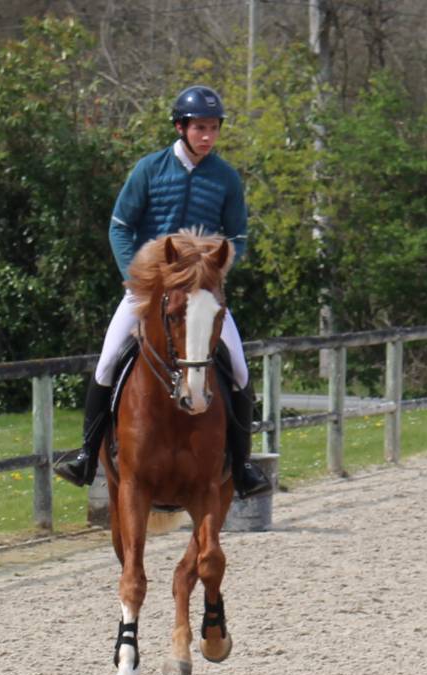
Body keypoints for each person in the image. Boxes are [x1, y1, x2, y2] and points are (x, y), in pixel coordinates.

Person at [56, 84, 273, 499]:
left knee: (240, 371)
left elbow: (238, 237)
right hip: (148, 289)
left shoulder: (226, 178)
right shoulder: (150, 170)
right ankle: (86, 456)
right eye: (199, 128)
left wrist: (216, 271)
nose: (207, 136)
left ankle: (243, 466)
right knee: (106, 363)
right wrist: (131, 277)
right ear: (181, 127)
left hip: (203, 296)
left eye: (213, 128)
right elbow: (121, 227)